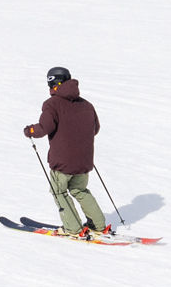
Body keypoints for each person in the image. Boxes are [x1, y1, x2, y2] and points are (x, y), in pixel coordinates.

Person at [24, 67, 109, 240]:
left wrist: (30, 130)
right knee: (80, 189)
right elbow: (96, 128)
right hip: (84, 161)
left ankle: (73, 229)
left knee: (59, 191)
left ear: (51, 82)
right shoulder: (86, 104)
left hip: (63, 162)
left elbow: (45, 128)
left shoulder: (52, 104)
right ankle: (98, 225)